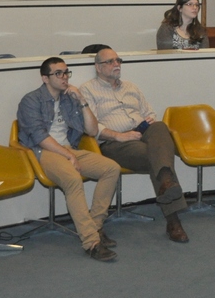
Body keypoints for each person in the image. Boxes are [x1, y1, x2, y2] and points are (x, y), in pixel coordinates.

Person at [80, 47, 190, 243]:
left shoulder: (131, 87)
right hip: (115, 143)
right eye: (110, 62)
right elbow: (92, 127)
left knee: (159, 126)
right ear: (98, 67)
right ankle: (173, 219)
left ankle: (166, 182)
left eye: (118, 60)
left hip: (143, 133)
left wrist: (145, 123)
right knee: (156, 157)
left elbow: (150, 112)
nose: (117, 65)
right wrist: (119, 136)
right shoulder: (88, 90)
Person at [16, 57, 120, 262]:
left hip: (68, 149)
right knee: (72, 180)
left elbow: (91, 130)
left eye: (66, 73)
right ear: (45, 78)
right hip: (43, 152)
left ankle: (96, 225)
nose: (64, 77)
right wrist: (68, 155)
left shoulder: (69, 99)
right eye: (58, 73)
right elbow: (39, 137)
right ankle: (91, 242)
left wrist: (82, 100)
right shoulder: (30, 100)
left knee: (111, 168)